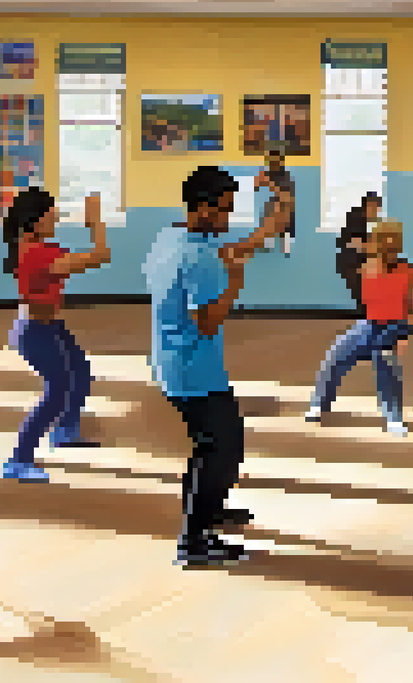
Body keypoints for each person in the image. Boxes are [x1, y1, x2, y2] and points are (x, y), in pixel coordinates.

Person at [144, 165, 291, 566]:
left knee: (211, 444)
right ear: (203, 208)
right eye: (223, 211)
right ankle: (193, 542)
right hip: (194, 370)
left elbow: (234, 247)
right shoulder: (198, 258)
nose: (227, 218)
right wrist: (236, 283)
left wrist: (269, 220)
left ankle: (210, 509)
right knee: (222, 447)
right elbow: (209, 320)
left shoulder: (170, 237)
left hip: (170, 362)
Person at [0, 189, 112, 481]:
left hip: (51, 326)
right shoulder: (36, 253)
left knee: (81, 373)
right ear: (35, 221)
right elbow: (101, 255)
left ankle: (64, 431)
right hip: (35, 333)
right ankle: (18, 460)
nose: (56, 216)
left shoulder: (38, 247)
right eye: (51, 212)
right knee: (57, 392)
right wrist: (96, 222)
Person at [305, 220, 413, 436]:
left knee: (386, 365)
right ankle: (320, 403)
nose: (389, 244)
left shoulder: (409, 271)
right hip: (368, 326)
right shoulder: (366, 268)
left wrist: (403, 335)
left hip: (393, 327)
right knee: (335, 356)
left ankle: (393, 418)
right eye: (384, 239)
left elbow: (411, 308)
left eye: (393, 239)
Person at [335, 193, 383, 310]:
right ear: (370, 206)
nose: (377, 213)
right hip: (353, 264)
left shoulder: (366, 220)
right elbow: (356, 244)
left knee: (365, 298)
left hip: (359, 264)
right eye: (376, 209)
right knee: (362, 297)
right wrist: (376, 247)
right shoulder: (356, 217)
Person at [255, 151, 295, 256]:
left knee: (284, 214)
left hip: (285, 207)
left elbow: (287, 196)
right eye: (270, 161)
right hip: (275, 205)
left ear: (280, 162)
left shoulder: (285, 176)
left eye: (275, 161)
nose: (272, 164)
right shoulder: (268, 173)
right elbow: (256, 185)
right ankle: (269, 242)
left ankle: (284, 243)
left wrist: (269, 184)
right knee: (269, 210)